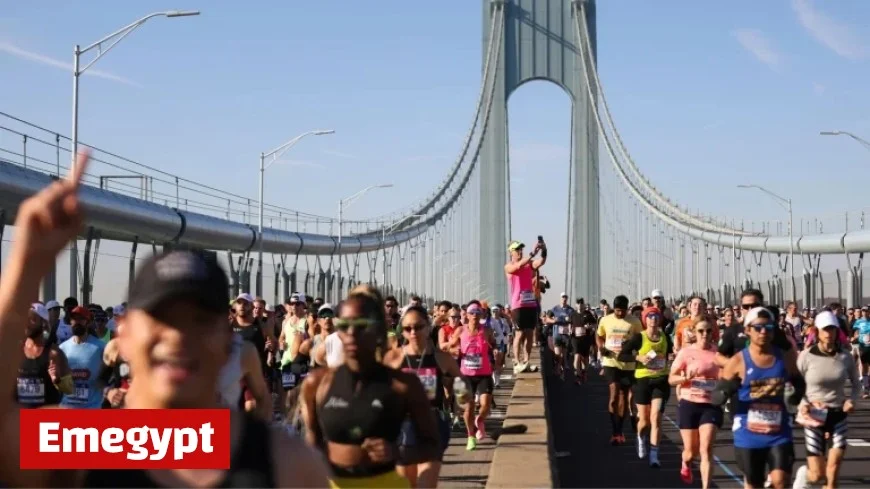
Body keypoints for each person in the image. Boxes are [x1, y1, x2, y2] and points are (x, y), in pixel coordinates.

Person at [0, 150, 328, 488]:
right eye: (162, 318)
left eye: (200, 321)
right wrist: (27, 264)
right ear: (124, 336)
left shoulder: (285, 463)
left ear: (228, 342)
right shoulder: (85, 444)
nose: (178, 337)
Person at [300, 285, 438, 488]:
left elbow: (432, 444)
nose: (351, 333)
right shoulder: (317, 383)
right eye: (344, 326)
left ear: (378, 330)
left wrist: (396, 451)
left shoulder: (403, 384)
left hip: (385, 483)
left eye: (361, 325)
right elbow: (312, 442)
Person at [711, 307, 803, 489]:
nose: (763, 332)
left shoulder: (785, 357)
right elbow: (716, 396)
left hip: (778, 431)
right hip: (748, 433)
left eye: (768, 327)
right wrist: (727, 390)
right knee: (754, 483)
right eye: (758, 327)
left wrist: (796, 397)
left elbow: (799, 382)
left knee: (781, 481)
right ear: (747, 330)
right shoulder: (737, 361)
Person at [384, 305, 461, 488]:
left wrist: (463, 397)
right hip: (402, 427)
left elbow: (461, 381)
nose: (413, 332)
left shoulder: (442, 358)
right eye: (407, 328)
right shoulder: (393, 358)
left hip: (432, 425)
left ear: (428, 327)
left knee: (426, 485)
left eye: (418, 327)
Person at [792, 311, 860, 489]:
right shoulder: (806, 356)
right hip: (814, 416)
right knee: (817, 475)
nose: (829, 333)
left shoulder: (845, 357)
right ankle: (805, 475)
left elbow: (856, 384)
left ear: (837, 331)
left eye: (832, 329)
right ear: (817, 332)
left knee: (833, 471)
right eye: (825, 329)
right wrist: (803, 404)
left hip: (838, 414)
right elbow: (795, 384)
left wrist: (852, 401)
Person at [668, 317, 722, 488]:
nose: (705, 334)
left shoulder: (718, 353)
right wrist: (685, 378)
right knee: (691, 452)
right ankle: (686, 462)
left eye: (708, 331)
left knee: (706, 449)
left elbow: (727, 376)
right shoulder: (686, 352)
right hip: (689, 403)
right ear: (694, 332)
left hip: (711, 404)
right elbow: (671, 379)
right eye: (701, 331)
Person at [619, 306, 672, 467]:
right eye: (650, 316)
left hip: (660, 380)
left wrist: (672, 357)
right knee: (644, 421)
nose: (653, 319)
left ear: (660, 319)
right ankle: (640, 437)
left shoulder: (665, 337)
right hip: (642, 381)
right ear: (645, 320)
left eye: (656, 316)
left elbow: (669, 353)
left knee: (656, 418)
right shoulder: (639, 338)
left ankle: (654, 456)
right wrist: (638, 358)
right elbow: (622, 355)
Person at [449, 302, 497, 451]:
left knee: (486, 405)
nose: (475, 315)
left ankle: (480, 420)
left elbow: (494, 344)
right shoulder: (460, 330)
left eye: (477, 313)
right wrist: (455, 350)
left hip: (484, 374)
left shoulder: (486, 330)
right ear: (467, 315)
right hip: (465, 375)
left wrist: (495, 350)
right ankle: (470, 436)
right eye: (472, 313)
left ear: (481, 315)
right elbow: (450, 346)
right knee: (468, 408)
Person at [596, 295, 642, 445]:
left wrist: (631, 346)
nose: (620, 313)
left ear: (627, 309)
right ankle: (615, 431)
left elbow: (640, 340)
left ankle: (620, 431)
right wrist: (601, 347)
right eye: (617, 311)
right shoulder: (605, 320)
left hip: (627, 364)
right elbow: (599, 336)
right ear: (613, 308)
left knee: (623, 396)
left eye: (623, 311)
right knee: (614, 393)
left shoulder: (634, 322)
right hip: (611, 362)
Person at [504, 239, 547, 374]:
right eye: (517, 250)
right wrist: (532, 253)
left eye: (521, 249)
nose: (520, 251)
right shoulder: (509, 266)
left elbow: (541, 262)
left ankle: (526, 361)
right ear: (511, 252)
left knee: (529, 334)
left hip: (530, 304)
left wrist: (543, 249)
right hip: (518, 305)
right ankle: (517, 362)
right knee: (519, 333)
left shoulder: (528, 264)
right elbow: (518, 266)